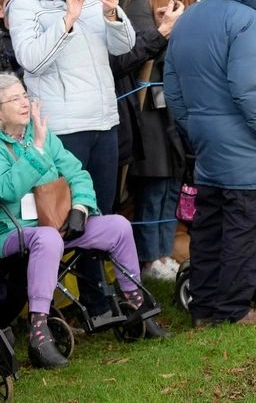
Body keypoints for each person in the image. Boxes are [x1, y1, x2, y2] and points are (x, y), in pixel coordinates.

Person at [0, 74, 167, 370]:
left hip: (55, 221)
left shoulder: (40, 134)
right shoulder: (31, 140)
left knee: (118, 226)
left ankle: (136, 307)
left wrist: (81, 206)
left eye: (24, 95)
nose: (25, 103)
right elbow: (8, 189)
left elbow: (77, 173)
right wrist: (37, 149)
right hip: (12, 231)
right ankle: (39, 333)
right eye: (14, 99)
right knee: (48, 238)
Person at [163, 0, 256, 328]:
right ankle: (234, 309)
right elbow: (249, 89)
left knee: (209, 225)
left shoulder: (189, 17)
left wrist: (193, 127)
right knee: (244, 227)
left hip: (203, 138)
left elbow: (173, 87)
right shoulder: (246, 19)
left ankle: (204, 309)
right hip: (243, 141)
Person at [7, 0, 136, 219]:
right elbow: (31, 60)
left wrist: (112, 12)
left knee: (104, 210)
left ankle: (95, 263)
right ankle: (65, 265)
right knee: (70, 215)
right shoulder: (25, 4)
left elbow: (124, 46)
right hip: (63, 127)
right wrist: (68, 18)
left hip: (104, 120)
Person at [119, 0, 193, 280]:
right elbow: (138, 55)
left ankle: (165, 253)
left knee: (172, 180)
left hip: (175, 102)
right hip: (147, 106)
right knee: (154, 181)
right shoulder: (139, 0)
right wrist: (167, 30)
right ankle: (150, 258)